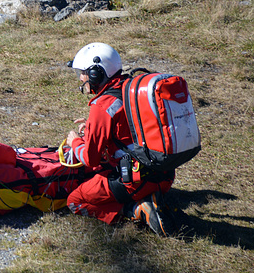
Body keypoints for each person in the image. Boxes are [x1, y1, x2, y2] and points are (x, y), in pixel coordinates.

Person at [63, 42, 176, 236]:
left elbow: (91, 159)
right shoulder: (133, 89)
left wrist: (75, 142)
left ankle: (136, 210)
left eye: (82, 72)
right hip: (164, 175)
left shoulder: (102, 105)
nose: (80, 79)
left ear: (96, 74)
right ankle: (148, 198)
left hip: (135, 179)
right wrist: (93, 125)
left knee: (75, 201)